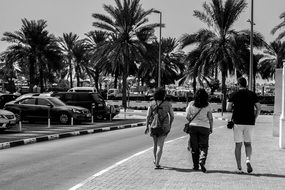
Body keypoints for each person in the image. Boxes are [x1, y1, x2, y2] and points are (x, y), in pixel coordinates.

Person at [226, 77, 261, 174]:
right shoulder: (252, 94)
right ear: (246, 84)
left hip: (238, 122)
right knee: (248, 144)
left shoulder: (234, 94)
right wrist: (255, 117)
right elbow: (259, 107)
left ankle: (239, 167)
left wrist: (234, 106)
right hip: (250, 122)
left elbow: (228, 108)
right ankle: (248, 160)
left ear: (238, 84)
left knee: (238, 145)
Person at [145, 87, 174, 169]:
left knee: (155, 144)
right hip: (164, 127)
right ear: (164, 95)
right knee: (160, 146)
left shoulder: (151, 104)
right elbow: (172, 116)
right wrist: (170, 124)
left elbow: (148, 116)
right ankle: (157, 163)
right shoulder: (168, 104)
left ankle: (155, 160)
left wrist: (147, 126)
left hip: (153, 126)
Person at [185, 88, 213, 173]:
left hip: (193, 127)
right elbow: (210, 118)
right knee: (204, 146)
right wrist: (211, 128)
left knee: (194, 147)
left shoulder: (191, 104)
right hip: (205, 127)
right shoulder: (208, 105)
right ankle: (202, 160)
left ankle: (195, 165)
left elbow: (187, 116)